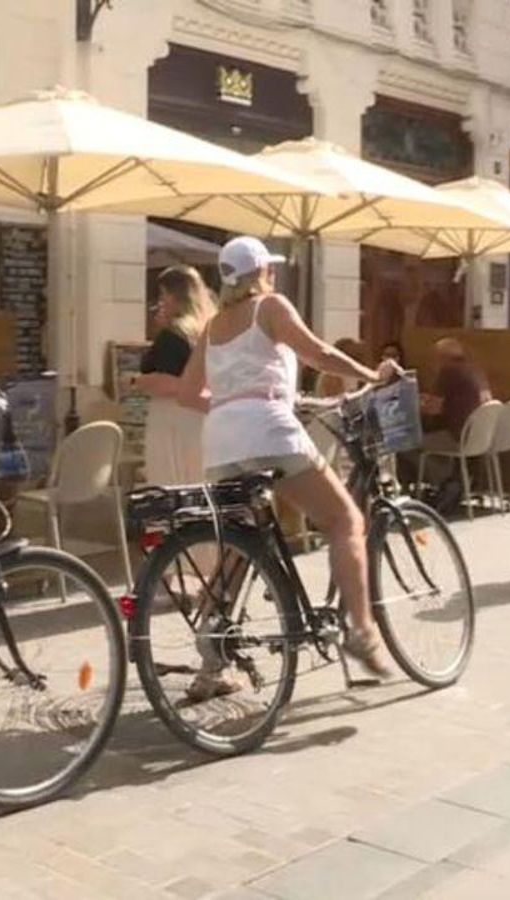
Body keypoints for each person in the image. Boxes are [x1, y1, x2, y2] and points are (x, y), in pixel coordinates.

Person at [180, 236, 401, 697]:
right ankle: (363, 632)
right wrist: (371, 376)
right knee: (344, 520)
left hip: (220, 439)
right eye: (270, 272)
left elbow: (187, 394)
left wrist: (237, 405)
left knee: (240, 547)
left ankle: (211, 665)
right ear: (263, 273)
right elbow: (317, 353)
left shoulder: (213, 325)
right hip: (268, 429)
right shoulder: (270, 307)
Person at [135, 265, 214, 488]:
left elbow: (167, 381)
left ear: (172, 295)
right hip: (198, 416)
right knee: (195, 480)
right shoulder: (206, 329)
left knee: (168, 479)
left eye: (162, 295)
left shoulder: (173, 335)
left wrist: (138, 382)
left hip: (170, 416)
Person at [416, 338, 492, 508]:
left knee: (408, 443)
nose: (434, 362)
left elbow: (433, 410)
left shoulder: (448, 372)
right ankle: (453, 481)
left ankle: (446, 481)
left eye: (435, 358)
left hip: (457, 435)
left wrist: (417, 404)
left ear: (443, 357)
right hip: (479, 437)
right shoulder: (476, 370)